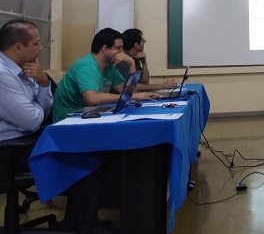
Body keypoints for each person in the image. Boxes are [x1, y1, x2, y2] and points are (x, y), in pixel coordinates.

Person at [53, 28, 163, 233]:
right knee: (112, 157)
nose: (122, 52)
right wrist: (130, 98)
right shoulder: (88, 66)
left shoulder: (110, 66)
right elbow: (92, 99)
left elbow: (127, 90)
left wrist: (131, 65)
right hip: (68, 128)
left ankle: (102, 211)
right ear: (105, 48)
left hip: (88, 122)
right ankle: (86, 221)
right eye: (118, 48)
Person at [0, 19, 52, 172]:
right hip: (8, 150)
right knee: (77, 159)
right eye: (36, 43)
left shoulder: (26, 69)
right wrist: (35, 107)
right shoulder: (2, 74)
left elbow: (44, 114)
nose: (41, 47)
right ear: (18, 48)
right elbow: (32, 121)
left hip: (25, 140)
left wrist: (43, 83)